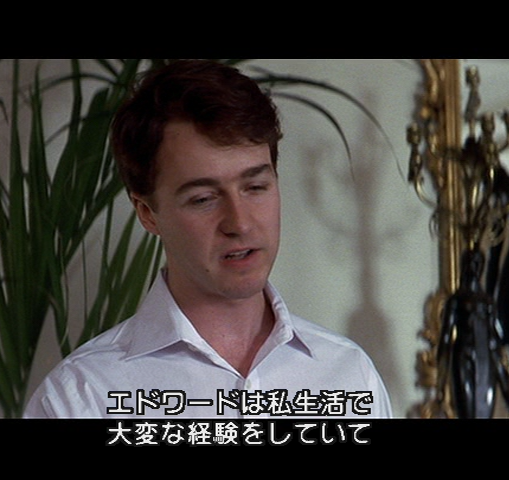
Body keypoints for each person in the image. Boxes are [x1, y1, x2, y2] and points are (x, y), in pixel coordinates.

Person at [23, 60, 392, 419]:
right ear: (148, 213)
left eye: (255, 187)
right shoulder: (82, 397)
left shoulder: (349, 376)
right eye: (203, 199)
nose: (239, 223)